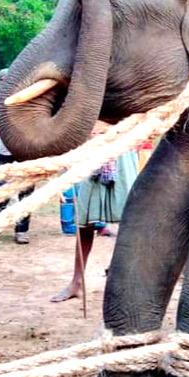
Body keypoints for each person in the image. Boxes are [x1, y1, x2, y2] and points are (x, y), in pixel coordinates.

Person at [51, 123, 139, 302]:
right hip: (93, 150)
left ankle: (126, 280)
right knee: (85, 220)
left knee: (129, 217)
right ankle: (77, 283)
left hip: (123, 146)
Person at [0, 70, 33, 244]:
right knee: (0, 191)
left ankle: (22, 230)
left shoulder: (29, 100)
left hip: (26, 154)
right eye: (3, 79)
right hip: (5, 153)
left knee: (26, 193)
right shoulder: (0, 101)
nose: (6, 81)